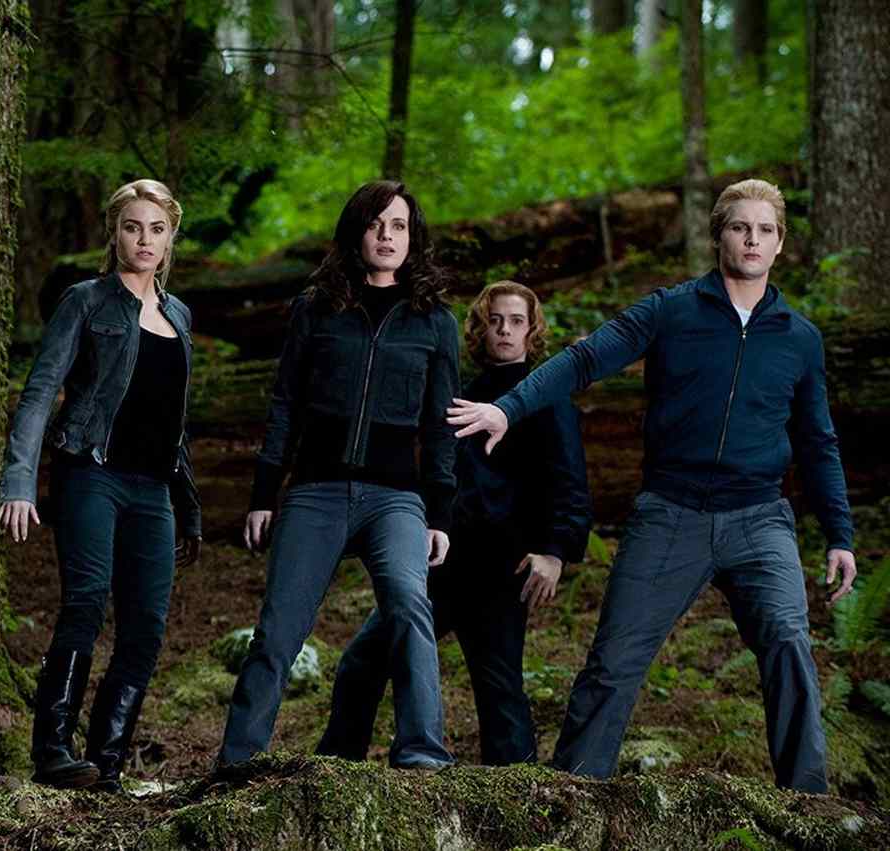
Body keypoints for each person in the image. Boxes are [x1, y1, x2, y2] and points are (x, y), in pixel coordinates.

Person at [450, 178, 856, 792]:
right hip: (671, 513)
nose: (752, 239)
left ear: (779, 244)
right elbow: (584, 359)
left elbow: (817, 440)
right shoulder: (671, 310)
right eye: (740, 227)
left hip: (758, 519)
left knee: (789, 644)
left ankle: (808, 801)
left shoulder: (799, 338)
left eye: (765, 230)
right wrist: (509, 408)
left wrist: (839, 533)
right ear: (718, 235)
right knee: (614, 662)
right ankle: (574, 797)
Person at [215, 180, 460, 771]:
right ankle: (238, 762)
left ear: (413, 238)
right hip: (316, 491)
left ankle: (422, 751)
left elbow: (441, 425)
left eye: (398, 226)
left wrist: (440, 513)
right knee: (278, 629)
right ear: (356, 232)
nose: (387, 236)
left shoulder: (435, 321)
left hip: (395, 497)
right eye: (376, 224)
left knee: (408, 604)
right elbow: (285, 405)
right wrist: (263, 494)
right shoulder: (316, 308)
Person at [315, 281, 591, 766]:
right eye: (495, 321)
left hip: (502, 566)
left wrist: (555, 550)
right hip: (440, 562)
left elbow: (570, 480)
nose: (504, 330)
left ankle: (518, 795)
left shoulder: (546, 396)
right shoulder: (458, 392)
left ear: (532, 331)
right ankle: (335, 769)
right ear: (480, 328)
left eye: (517, 322)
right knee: (364, 659)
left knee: (498, 685)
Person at [0, 178, 201, 792]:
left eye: (157, 229)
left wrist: (188, 506)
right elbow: (40, 392)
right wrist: (19, 482)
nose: (145, 240)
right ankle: (52, 751)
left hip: (154, 490)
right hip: (91, 472)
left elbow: (174, 422)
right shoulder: (84, 301)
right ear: (114, 233)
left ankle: (106, 764)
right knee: (85, 603)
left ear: (170, 238)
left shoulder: (180, 315)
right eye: (133, 227)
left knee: (146, 627)